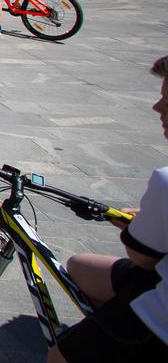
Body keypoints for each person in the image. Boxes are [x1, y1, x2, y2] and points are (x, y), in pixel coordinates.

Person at [49, 56, 168, 363]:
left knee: (58, 355)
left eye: (166, 101)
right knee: (76, 267)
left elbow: (143, 258)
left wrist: (134, 228)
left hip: (161, 316)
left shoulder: (165, 181)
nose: (157, 108)